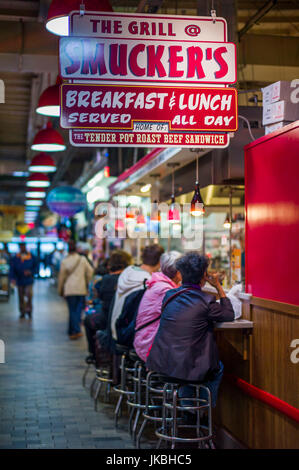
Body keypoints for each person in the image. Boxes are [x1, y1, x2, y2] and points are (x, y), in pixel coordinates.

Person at [146, 251, 234, 408]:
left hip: (163, 363)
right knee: (214, 367)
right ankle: (202, 411)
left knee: (189, 363)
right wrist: (219, 287)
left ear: (180, 274)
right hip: (185, 367)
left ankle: (187, 410)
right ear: (203, 277)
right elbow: (228, 314)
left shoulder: (170, 295)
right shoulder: (206, 301)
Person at [84, 250, 133, 363]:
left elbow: (99, 297)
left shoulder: (104, 280)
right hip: (125, 322)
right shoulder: (130, 280)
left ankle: (92, 354)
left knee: (88, 320)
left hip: (106, 320)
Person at [134, 251, 182, 362]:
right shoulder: (164, 290)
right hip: (150, 346)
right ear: (178, 273)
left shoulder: (160, 283)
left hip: (146, 340)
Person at [110, 244, 164, 342]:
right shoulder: (147, 282)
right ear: (160, 262)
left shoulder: (128, 271)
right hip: (129, 334)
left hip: (115, 328)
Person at [58, 240, 94, 340]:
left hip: (69, 290)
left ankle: (73, 330)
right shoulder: (82, 259)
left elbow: (61, 278)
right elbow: (90, 272)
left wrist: (60, 290)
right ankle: (75, 330)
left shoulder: (65, 261)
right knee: (78, 310)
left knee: (72, 310)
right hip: (81, 289)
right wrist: (87, 283)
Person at [10, 243, 38, 319]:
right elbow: (12, 269)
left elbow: (36, 267)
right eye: (21, 247)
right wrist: (12, 278)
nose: (22, 248)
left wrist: (30, 272)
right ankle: (22, 311)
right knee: (21, 296)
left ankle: (29, 310)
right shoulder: (16, 258)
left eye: (23, 246)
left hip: (29, 280)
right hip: (19, 280)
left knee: (29, 295)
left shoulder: (31, 257)